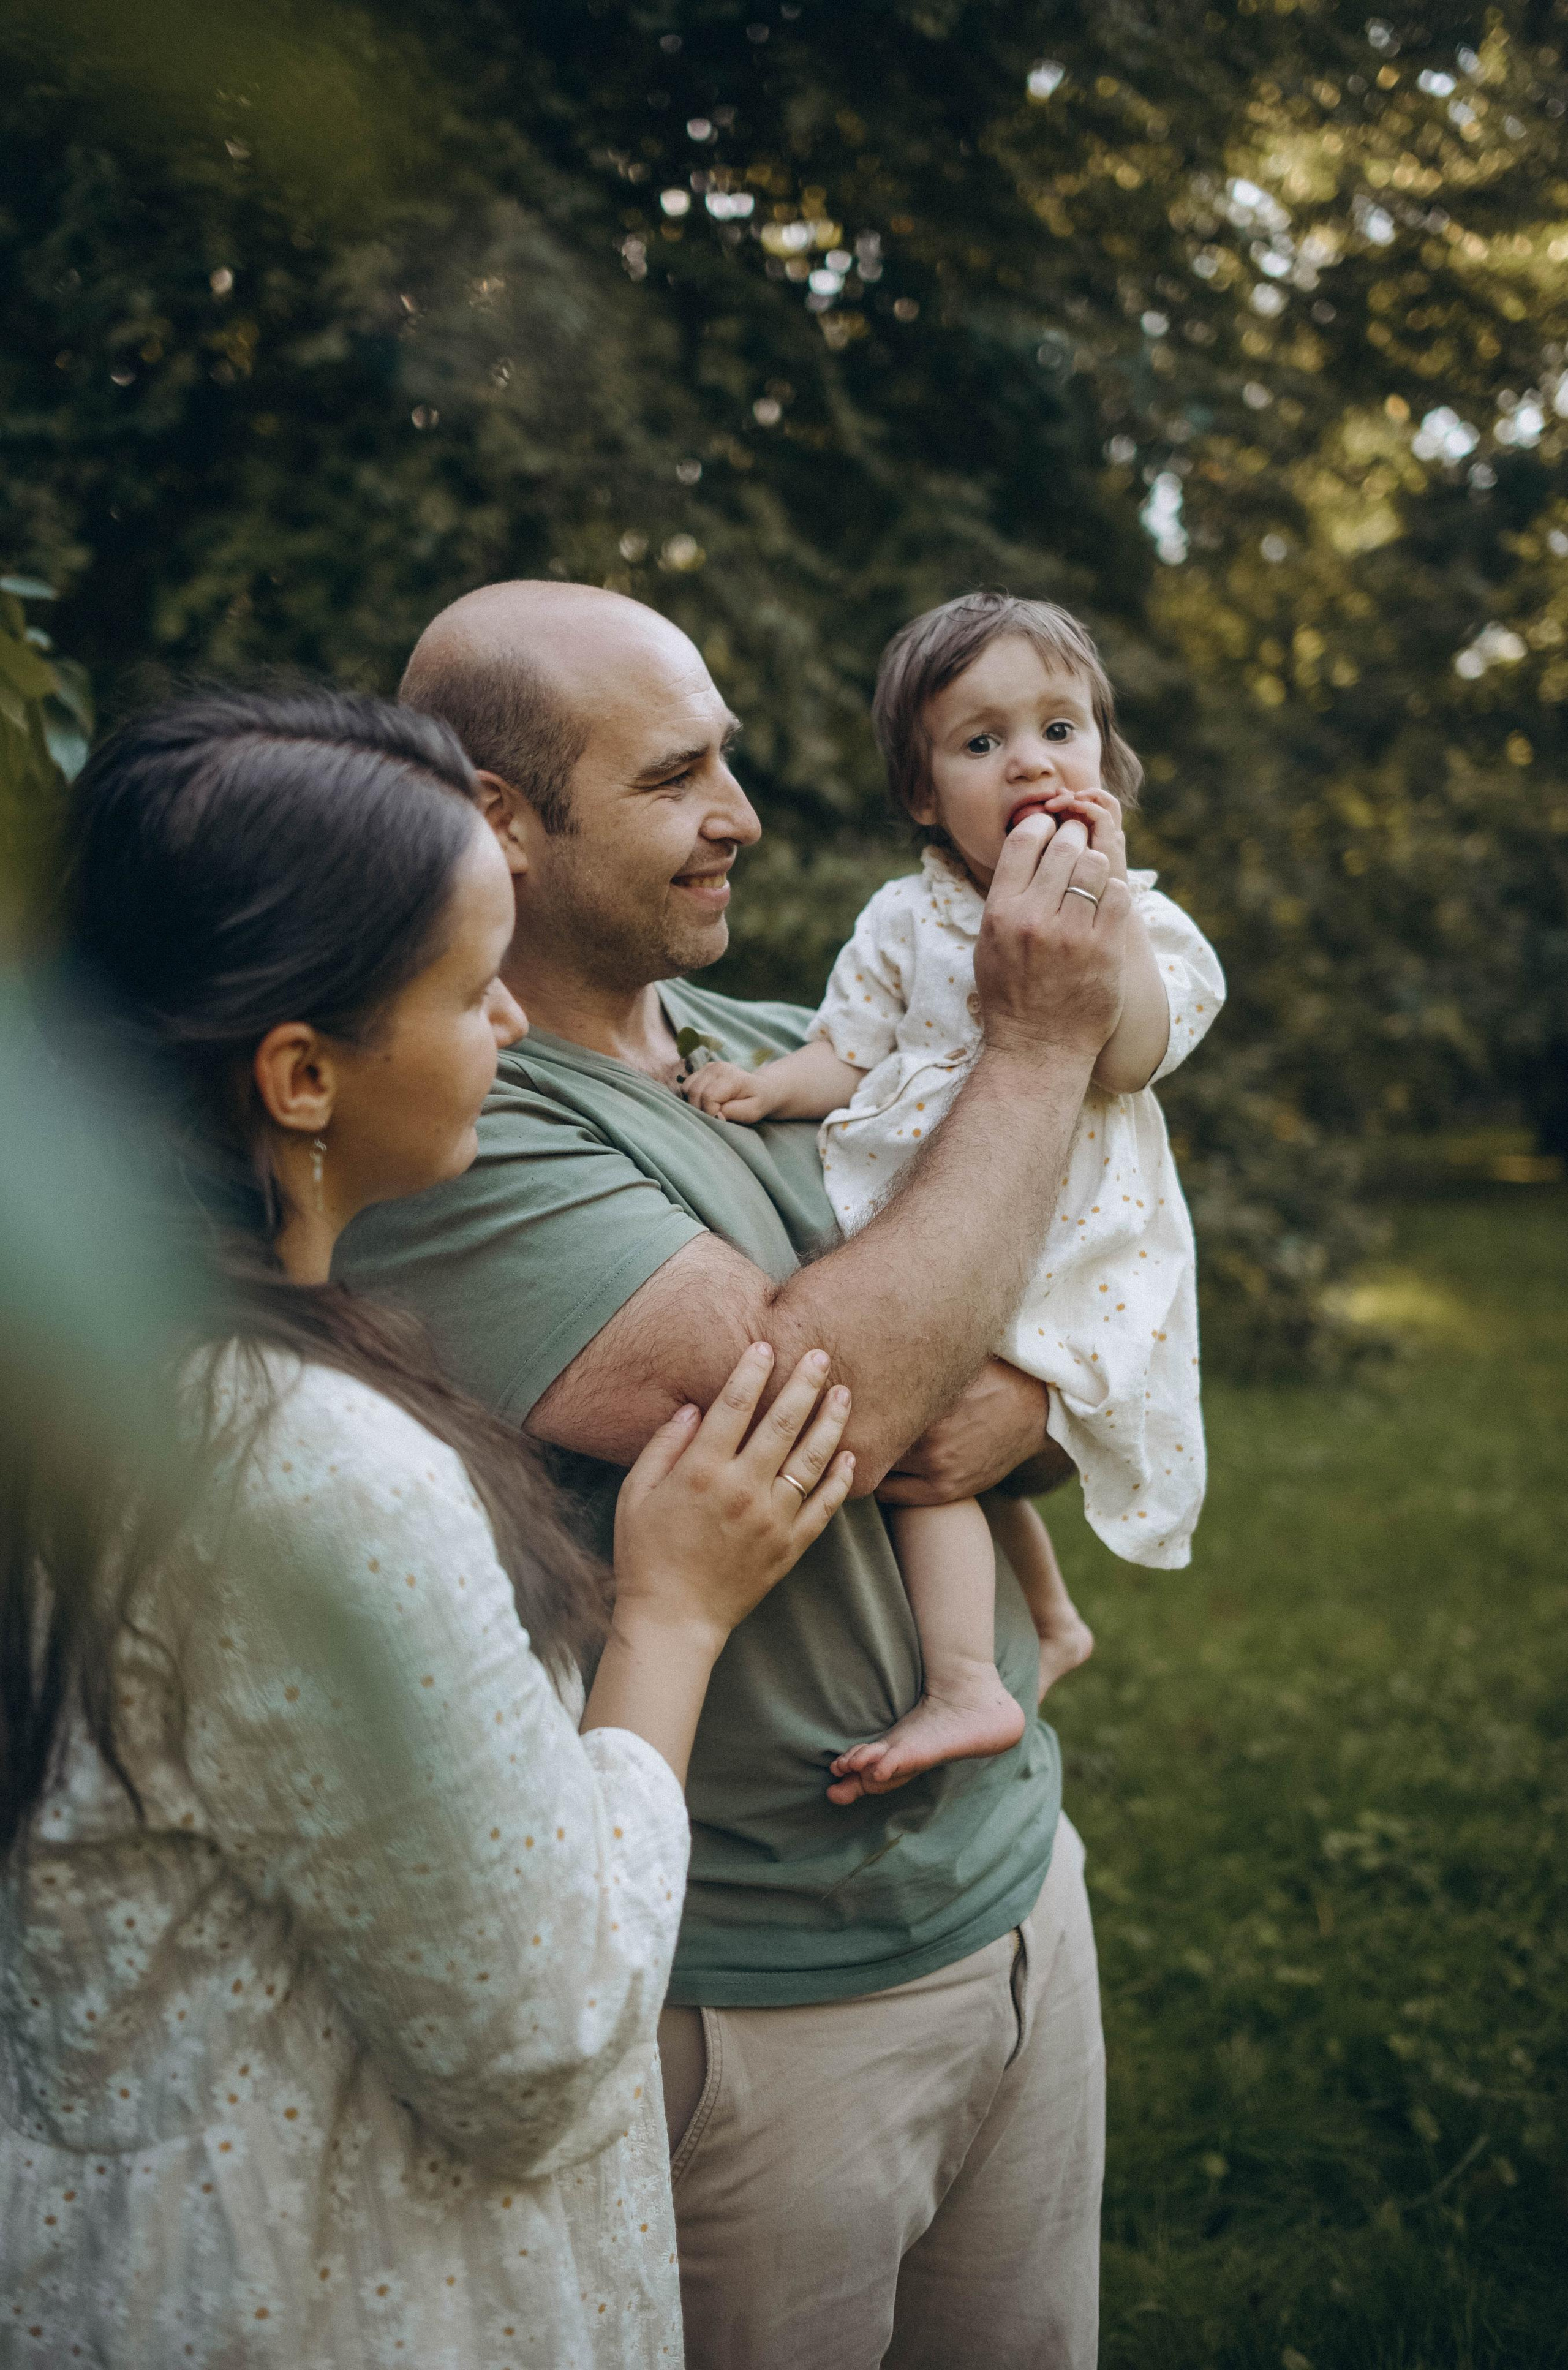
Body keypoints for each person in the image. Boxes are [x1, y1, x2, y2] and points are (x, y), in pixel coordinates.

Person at [0, 687, 853, 2369]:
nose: (515, 1024)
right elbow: (540, 2044)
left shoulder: (95, 1377)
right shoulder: (310, 1472)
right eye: (470, 991)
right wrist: (672, 1617)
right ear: (301, 1073)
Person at [337, 579, 1124, 2369]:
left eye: (731, 761)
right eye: (675, 777)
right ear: (498, 817)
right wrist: (1036, 1047)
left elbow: (1088, 1290)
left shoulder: (780, 1046)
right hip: (757, 1999)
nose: (743, 817)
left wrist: (1027, 1397)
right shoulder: (454, 1127)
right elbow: (828, 1401)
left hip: (1018, 1889)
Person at [683, 591, 1227, 1801]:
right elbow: (848, 1053)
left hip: (1072, 1243)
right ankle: (1042, 1624)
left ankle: (966, 1681)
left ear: (1106, 763)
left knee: (934, 1453)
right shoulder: (904, 917)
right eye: (981, 742)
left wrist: (1105, 916)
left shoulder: (1143, 922)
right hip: (937, 1225)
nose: (1029, 761)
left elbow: (1131, 1055)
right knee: (932, 1433)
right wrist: (768, 1084)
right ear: (924, 793)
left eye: (1059, 729)